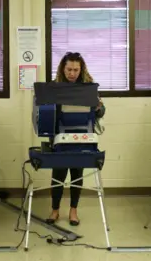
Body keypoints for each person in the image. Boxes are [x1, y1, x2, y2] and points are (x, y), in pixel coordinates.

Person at [46, 52, 105, 226]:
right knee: (58, 175)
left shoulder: (88, 88)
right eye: (69, 69)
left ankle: (73, 211)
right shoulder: (55, 88)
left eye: (76, 70)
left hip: (82, 137)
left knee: (77, 175)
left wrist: (99, 107)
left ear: (81, 69)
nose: (72, 73)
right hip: (60, 137)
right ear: (63, 69)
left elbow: (101, 112)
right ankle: (55, 210)